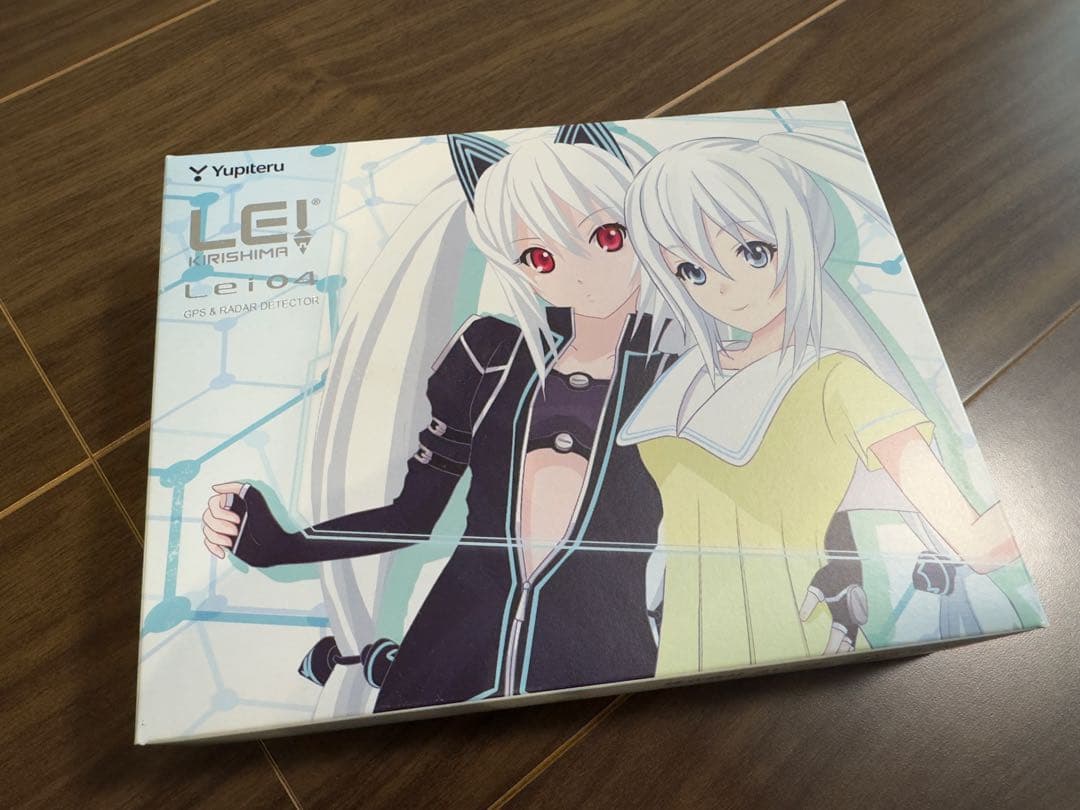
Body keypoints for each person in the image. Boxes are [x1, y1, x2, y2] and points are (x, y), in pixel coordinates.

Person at [200, 123, 678, 712]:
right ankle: (381, 664)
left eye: (607, 236)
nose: (579, 270)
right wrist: (279, 546)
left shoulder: (684, 373)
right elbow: (414, 515)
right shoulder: (491, 357)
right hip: (453, 645)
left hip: (603, 655)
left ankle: (377, 663)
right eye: (540, 256)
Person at [620, 133, 1023, 676]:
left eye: (753, 253)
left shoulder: (839, 382)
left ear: (802, 238)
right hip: (681, 651)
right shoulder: (688, 374)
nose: (723, 288)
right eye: (691, 271)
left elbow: (977, 544)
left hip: (794, 638)